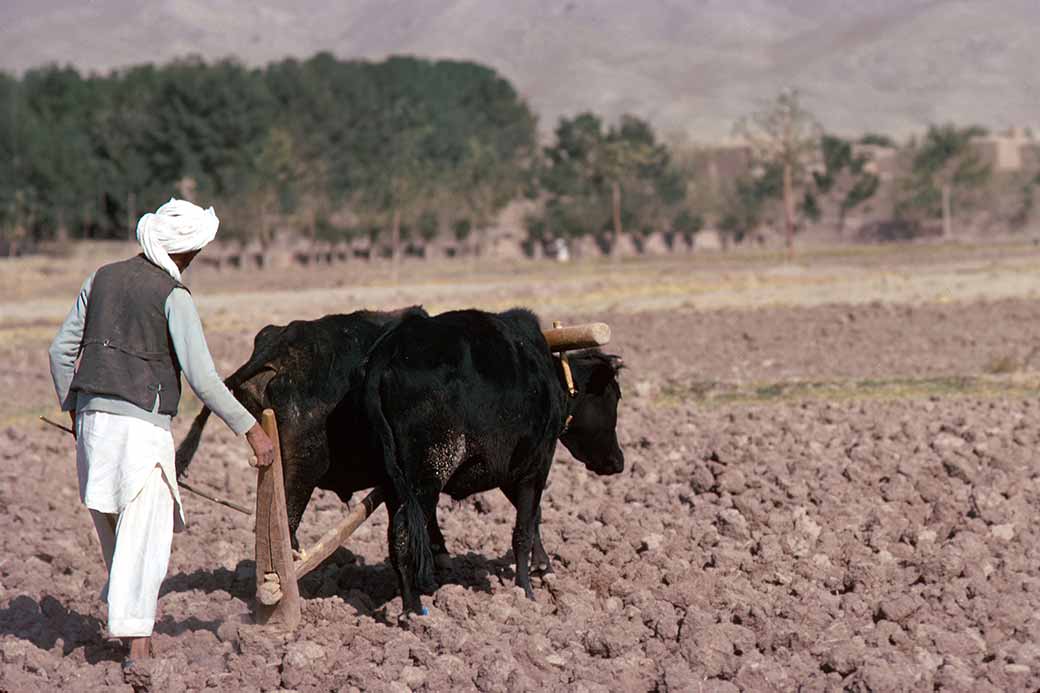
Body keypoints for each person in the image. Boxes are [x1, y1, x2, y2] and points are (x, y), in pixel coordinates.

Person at [47, 198, 275, 675]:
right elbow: (204, 378)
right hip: (139, 430)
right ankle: (138, 648)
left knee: (113, 532)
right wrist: (250, 429)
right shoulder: (174, 295)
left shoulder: (101, 278)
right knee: (144, 537)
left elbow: (59, 350)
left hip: (91, 422)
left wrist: (74, 408)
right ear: (185, 251)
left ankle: (127, 620)